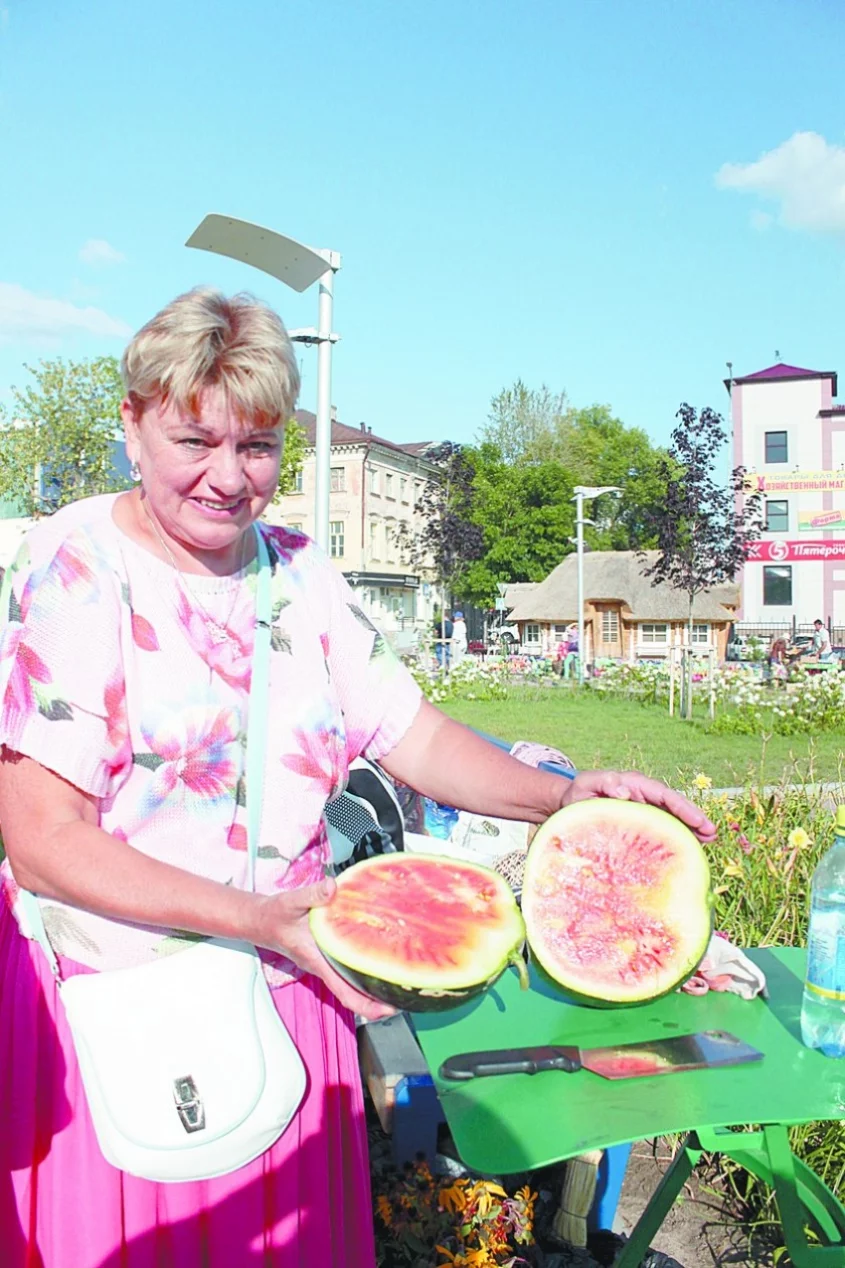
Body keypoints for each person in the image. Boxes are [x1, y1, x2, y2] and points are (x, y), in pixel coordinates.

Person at [0, 287, 716, 1268]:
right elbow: (40, 837)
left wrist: (563, 793)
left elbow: (411, 734)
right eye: (192, 440)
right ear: (131, 424)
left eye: (254, 446)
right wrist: (253, 915)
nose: (225, 476)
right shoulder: (78, 572)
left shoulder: (300, 574)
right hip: (126, 1008)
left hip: (295, 983)